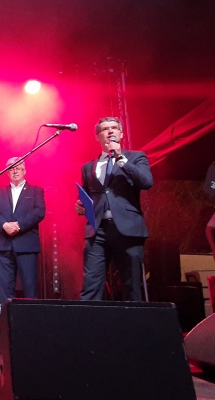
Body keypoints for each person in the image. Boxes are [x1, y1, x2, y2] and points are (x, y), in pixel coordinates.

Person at [75, 117, 153, 301]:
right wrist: (81, 204)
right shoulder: (88, 167)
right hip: (98, 230)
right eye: (105, 129)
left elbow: (146, 182)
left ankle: (133, 319)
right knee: (90, 286)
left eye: (114, 128)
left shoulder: (136, 157)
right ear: (97, 137)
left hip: (128, 230)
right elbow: (88, 194)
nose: (110, 131)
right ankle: (88, 319)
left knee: (131, 285)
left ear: (121, 134)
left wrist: (121, 159)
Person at [0, 157, 46, 304]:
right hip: (4, 244)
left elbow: (39, 212)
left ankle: (30, 318)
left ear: (24, 171)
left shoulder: (36, 191)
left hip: (27, 244)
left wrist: (19, 225)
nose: (15, 171)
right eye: (11, 168)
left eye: (18, 167)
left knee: (29, 288)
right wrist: (4, 225)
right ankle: (7, 318)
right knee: (5, 289)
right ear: (7, 172)